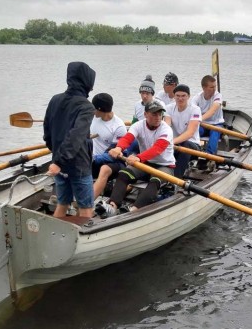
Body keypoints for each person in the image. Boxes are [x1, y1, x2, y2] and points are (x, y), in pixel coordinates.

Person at [95, 100, 175, 217]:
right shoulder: (138, 125)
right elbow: (127, 138)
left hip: (165, 165)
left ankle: (133, 210)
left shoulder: (166, 129)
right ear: (145, 115)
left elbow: (157, 149)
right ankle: (113, 206)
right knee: (123, 174)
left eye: (160, 114)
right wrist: (118, 149)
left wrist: (138, 158)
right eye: (154, 114)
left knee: (154, 182)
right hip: (146, 163)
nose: (158, 117)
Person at [43, 61, 96, 218]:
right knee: (86, 208)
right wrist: (60, 161)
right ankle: (86, 241)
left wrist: (57, 158)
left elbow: (47, 132)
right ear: (87, 81)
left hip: (59, 162)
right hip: (78, 165)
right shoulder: (87, 107)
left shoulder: (55, 100)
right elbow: (76, 136)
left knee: (62, 204)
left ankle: (53, 237)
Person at [90, 93, 127, 198]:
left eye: (94, 108)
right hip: (94, 158)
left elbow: (114, 154)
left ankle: (87, 203)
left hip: (115, 161)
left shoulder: (119, 127)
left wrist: (93, 159)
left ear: (101, 109)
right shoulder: (93, 118)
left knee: (104, 169)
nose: (92, 111)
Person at [164, 84, 202, 178]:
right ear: (174, 96)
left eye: (183, 96)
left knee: (186, 144)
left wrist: (171, 142)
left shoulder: (195, 110)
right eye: (178, 96)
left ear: (188, 96)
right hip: (175, 144)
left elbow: (190, 133)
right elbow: (166, 127)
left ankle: (176, 179)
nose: (180, 98)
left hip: (192, 145)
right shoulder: (168, 108)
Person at [192, 75, 224, 156]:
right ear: (204, 88)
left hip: (216, 124)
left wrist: (199, 119)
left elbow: (212, 111)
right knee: (192, 131)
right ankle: (194, 151)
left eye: (215, 86)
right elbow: (191, 112)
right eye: (211, 87)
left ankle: (209, 155)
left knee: (214, 133)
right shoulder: (197, 98)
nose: (214, 89)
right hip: (203, 125)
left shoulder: (217, 96)